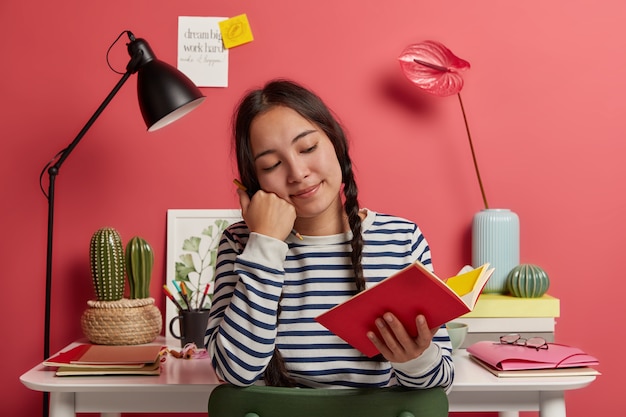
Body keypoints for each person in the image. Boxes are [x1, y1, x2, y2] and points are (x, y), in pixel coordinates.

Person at [206, 79, 454, 390]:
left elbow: (441, 383)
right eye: (271, 165)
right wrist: (265, 245)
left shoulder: (401, 239)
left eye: (308, 148)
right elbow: (234, 372)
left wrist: (414, 359)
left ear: (336, 143)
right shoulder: (242, 243)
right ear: (254, 185)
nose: (297, 173)